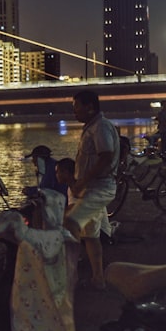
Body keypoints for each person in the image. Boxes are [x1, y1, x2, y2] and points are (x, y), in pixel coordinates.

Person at [63, 90, 119, 291]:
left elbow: (105, 156)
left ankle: (67, 278)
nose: (74, 111)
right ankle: (98, 279)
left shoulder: (100, 128)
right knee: (91, 236)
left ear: (90, 107)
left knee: (70, 223)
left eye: (76, 107)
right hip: (93, 189)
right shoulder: (92, 127)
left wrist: (83, 181)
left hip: (98, 188)